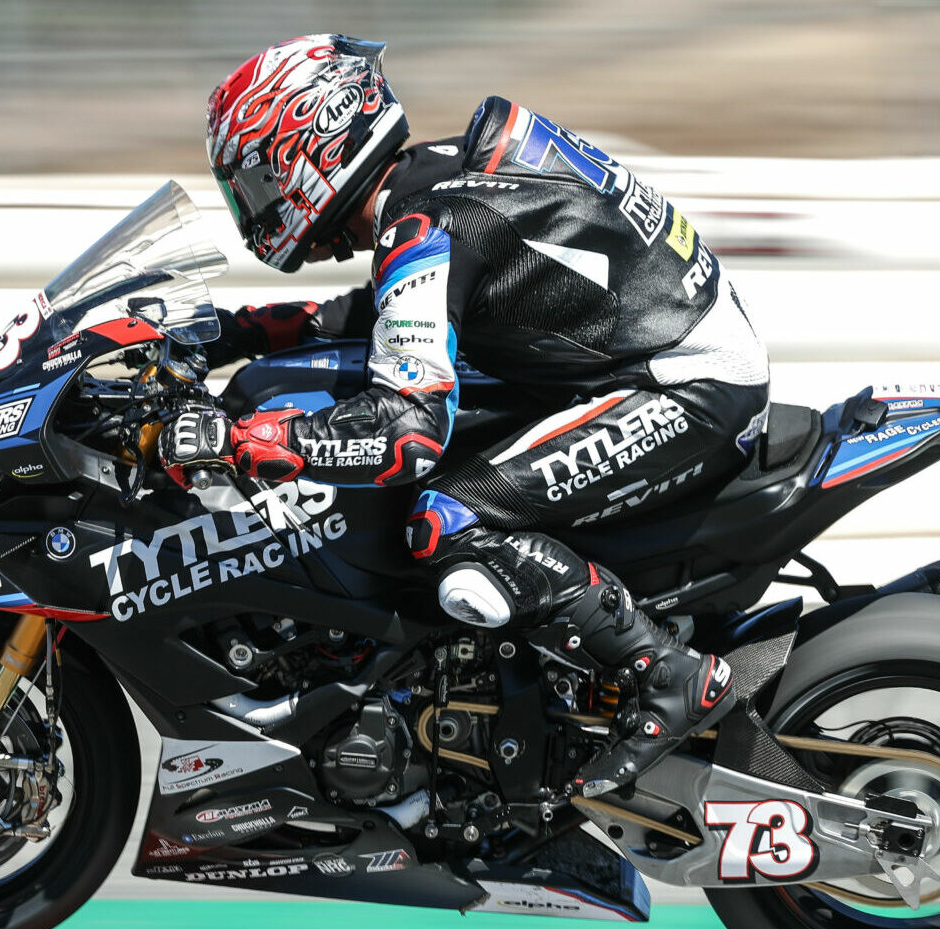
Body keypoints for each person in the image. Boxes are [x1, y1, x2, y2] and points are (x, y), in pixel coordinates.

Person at [160, 34, 770, 798]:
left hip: (686, 385)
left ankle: (669, 677)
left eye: (257, 181)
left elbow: (404, 433)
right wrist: (231, 331)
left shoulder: (429, 219)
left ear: (310, 142)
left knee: (449, 519)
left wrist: (246, 439)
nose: (257, 206)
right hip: (659, 354)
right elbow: (375, 310)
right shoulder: (434, 187)